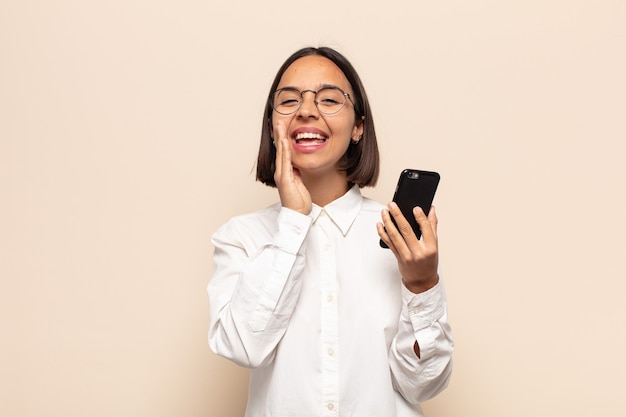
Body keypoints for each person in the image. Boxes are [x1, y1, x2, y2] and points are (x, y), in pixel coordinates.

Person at [207, 46, 453, 417]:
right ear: (273, 128)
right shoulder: (241, 237)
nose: (306, 110)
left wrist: (422, 286)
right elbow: (243, 347)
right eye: (289, 100)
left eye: (329, 99)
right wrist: (293, 222)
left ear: (358, 127)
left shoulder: (396, 237)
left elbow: (423, 384)